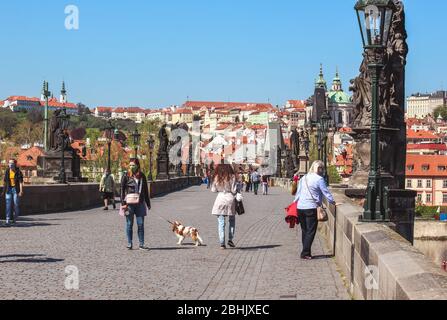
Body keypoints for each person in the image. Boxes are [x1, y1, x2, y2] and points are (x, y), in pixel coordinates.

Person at [294, 161, 336, 260]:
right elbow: (326, 192)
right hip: (311, 207)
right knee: (311, 231)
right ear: (319, 169)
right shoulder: (319, 179)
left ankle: (306, 252)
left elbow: (298, 193)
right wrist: (333, 202)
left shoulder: (304, 178)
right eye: (322, 168)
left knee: (304, 230)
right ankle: (305, 253)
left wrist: (294, 204)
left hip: (300, 207)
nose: (322, 171)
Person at [120, 159, 151, 251]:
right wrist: (123, 203)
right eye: (130, 165)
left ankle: (141, 244)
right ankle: (130, 243)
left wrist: (148, 203)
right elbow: (122, 190)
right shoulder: (126, 176)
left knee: (140, 224)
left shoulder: (142, 176)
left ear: (137, 165)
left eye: (133, 165)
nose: (131, 167)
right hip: (129, 204)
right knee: (129, 224)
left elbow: (145, 191)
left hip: (140, 203)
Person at [211, 164, 238, 250]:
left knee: (221, 222)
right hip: (230, 198)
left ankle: (222, 243)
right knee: (232, 220)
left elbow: (213, 190)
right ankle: (230, 239)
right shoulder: (232, 176)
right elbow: (234, 190)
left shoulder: (217, 177)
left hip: (220, 199)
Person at [2, 160, 24, 226]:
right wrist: (3, 191)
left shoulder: (18, 172)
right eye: (9, 163)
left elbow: (20, 182)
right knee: (8, 205)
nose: (10, 164)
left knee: (16, 204)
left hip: (15, 189)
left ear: (15, 164)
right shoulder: (7, 171)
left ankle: (15, 219)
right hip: (8, 189)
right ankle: (7, 220)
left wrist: (21, 191)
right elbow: (5, 182)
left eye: (12, 163)